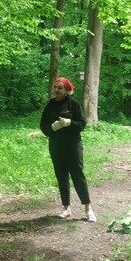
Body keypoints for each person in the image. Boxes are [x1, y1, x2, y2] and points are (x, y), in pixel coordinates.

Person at [40, 77, 96, 222]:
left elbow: (82, 124)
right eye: (55, 87)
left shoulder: (74, 104)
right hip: (56, 145)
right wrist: (53, 127)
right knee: (61, 175)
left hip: (72, 145)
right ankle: (66, 208)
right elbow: (43, 126)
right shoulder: (50, 105)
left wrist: (69, 123)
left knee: (77, 174)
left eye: (60, 88)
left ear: (66, 90)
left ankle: (88, 208)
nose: (56, 90)